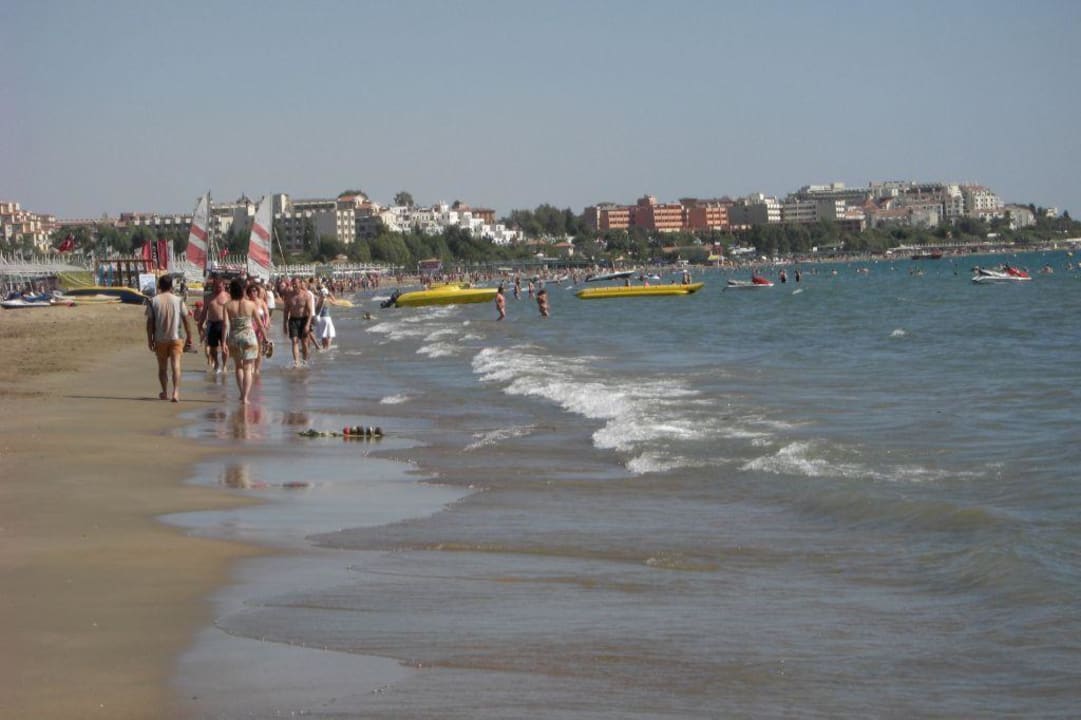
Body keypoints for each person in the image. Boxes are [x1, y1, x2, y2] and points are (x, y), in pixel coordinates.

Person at [145, 274, 195, 402]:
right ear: (171, 286)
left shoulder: (153, 301)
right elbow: (186, 320)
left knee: (162, 368)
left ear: (159, 286)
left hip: (160, 338)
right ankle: (176, 392)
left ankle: (165, 392)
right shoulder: (179, 300)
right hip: (176, 338)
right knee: (176, 365)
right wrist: (189, 336)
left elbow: (150, 323)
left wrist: (150, 340)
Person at [223, 277, 261, 404]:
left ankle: (241, 393)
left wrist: (223, 342)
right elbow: (259, 324)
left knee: (238, 367)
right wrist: (266, 338)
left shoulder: (227, 305)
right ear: (244, 289)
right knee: (248, 368)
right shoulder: (251, 304)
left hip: (234, 338)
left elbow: (225, 325)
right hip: (249, 337)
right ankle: (245, 397)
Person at [283, 276, 315, 366]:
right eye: (293, 283)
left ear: (300, 284)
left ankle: (305, 361)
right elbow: (286, 311)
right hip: (293, 320)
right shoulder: (289, 296)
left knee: (304, 342)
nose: (294, 285)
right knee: (294, 341)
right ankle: (297, 363)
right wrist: (284, 324)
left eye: (296, 283)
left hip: (304, 320)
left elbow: (310, 311)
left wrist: (308, 325)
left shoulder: (306, 295)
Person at [202, 279, 230, 373]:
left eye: (220, 287)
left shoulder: (228, 296)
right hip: (211, 323)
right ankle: (217, 363)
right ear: (213, 286)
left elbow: (232, 310)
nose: (218, 289)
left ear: (224, 286)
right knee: (212, 347)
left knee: (225, 346)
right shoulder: (208, 297)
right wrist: (200, 323)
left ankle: (224, 365)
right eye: (216, 287)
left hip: (224, 323)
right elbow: (204, 312)